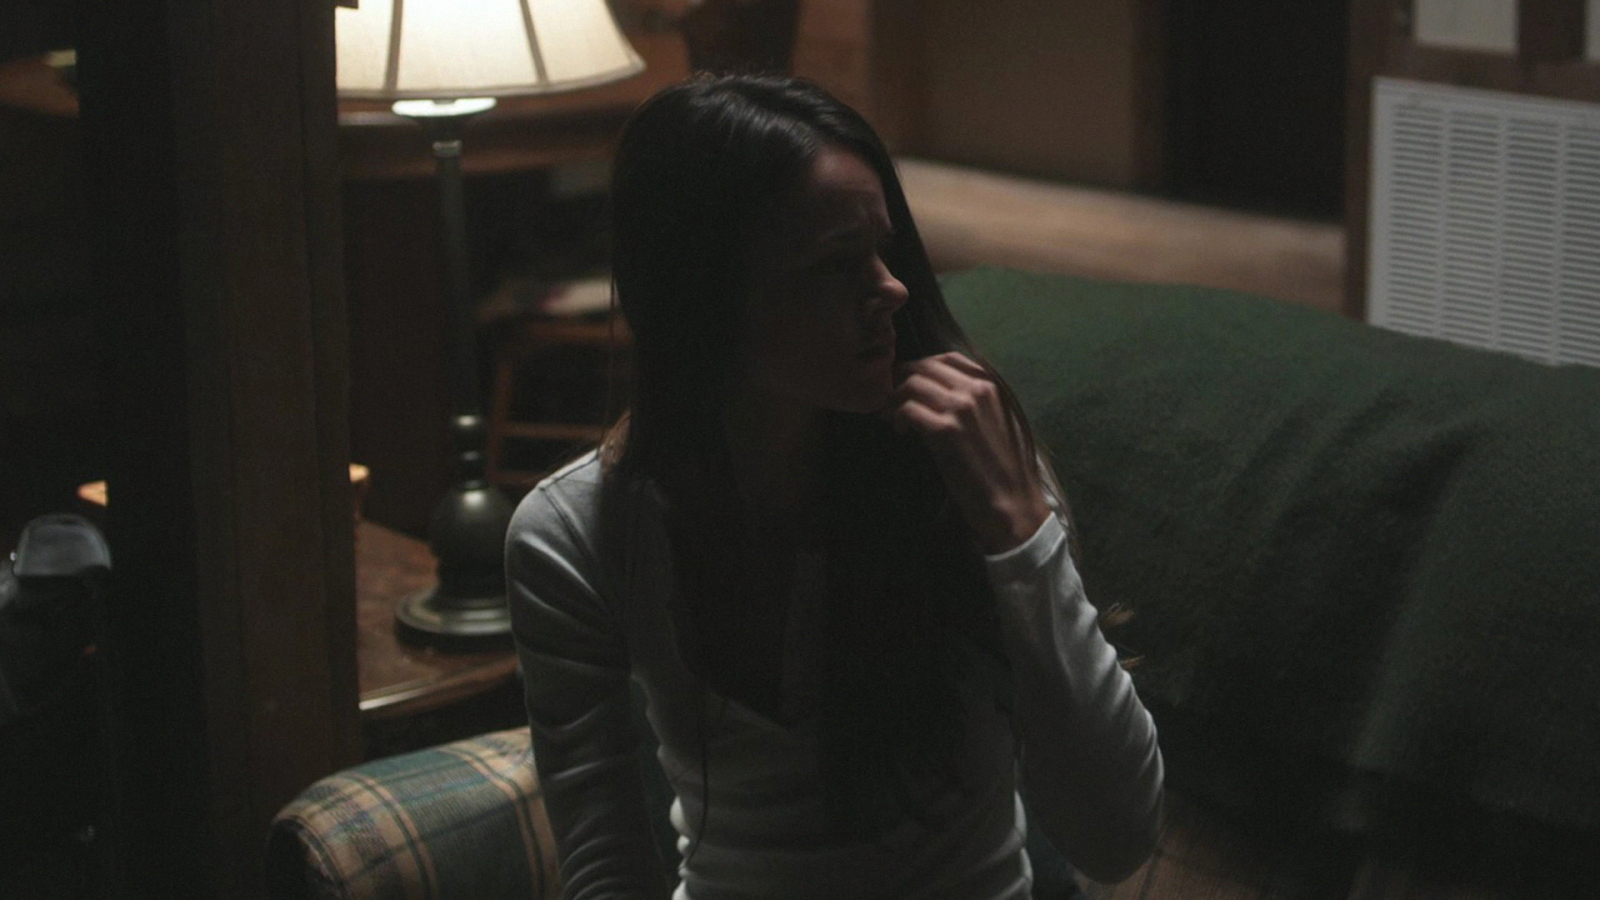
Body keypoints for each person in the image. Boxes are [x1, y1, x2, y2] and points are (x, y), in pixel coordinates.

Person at [506, 74, 1163, 900]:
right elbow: (605, 863)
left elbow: (1119, 837)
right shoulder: (574, 533)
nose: (892, 288)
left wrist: (1021, 535)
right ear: (702, 299)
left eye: (884, 250)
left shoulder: (965, 461)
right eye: (832, 265)